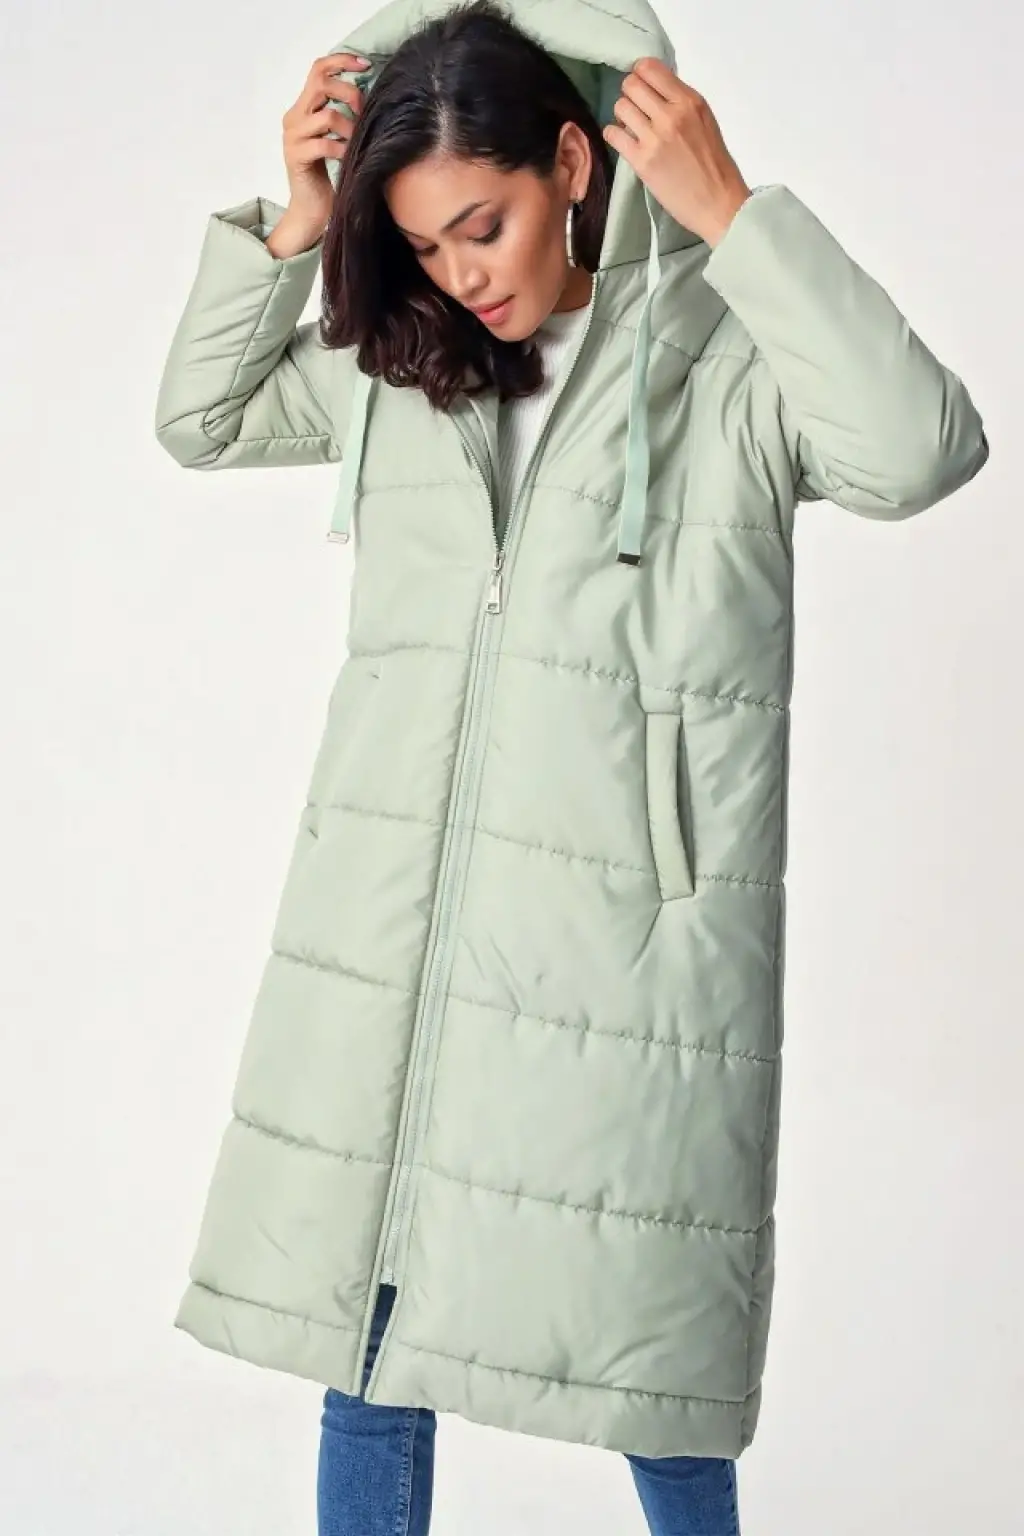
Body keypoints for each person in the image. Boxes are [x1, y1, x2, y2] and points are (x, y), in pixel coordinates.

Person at [153, 2, 989, 1532]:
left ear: (573, 162)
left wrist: (734, 214)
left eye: (484, 225)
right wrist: (296, 226)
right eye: (424, 244)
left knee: (657, 1375)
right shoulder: (399, 369)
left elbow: (921, 447)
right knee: (369, 1344)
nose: (461, 274)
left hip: (630, 953)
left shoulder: (724, 367)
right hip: (400, 938)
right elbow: (198, 420)